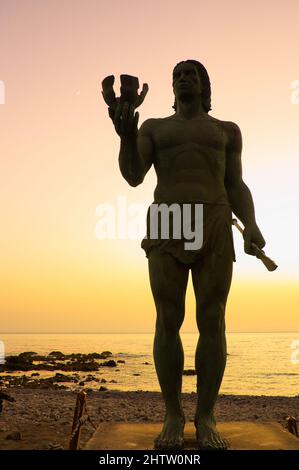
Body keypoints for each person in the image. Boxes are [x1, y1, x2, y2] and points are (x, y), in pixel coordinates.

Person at [109, 60, 266, 450]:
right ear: (172, 86)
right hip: (168, 218)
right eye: (178, 75)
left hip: (213, 217)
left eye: (191, 74)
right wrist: (125, 134)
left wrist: (252, 225)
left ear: (204, 84)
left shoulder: (226, 131)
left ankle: (206, 414)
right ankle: (173, 414)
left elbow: (235, 182)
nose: (183, 79)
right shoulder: (155, 128)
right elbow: (132, 175)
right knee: (168, 318)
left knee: (212, 318)